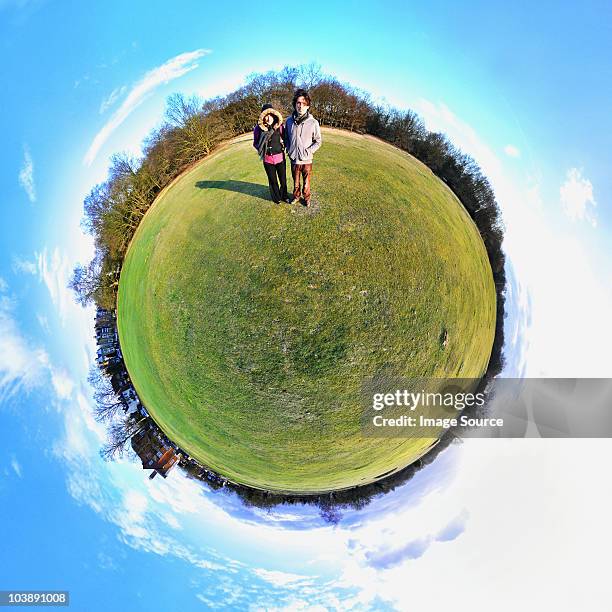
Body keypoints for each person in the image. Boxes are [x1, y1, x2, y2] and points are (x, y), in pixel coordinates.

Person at [284, 89, 322, 207]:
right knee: (296, 183)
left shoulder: (313, 122)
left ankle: (307, 198)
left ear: (308, 106)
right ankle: (296, 196)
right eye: (298, 103)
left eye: (303, 103)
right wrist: (289, 150)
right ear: (295, 104)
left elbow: (318, 141)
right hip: (294, 159)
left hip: (307, 160)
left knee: (306, 183)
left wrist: (308, 151)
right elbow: (286, 138)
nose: (300, 106)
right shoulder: (289, 121)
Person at [252, 103, 288, 204]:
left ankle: (284, 196)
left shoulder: (279, 126)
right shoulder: (258, 129)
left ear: (273, 115)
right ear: (263, 117)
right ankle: (276, 198)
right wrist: (262, 148)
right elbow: (255, 143)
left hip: (280, 158)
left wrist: (283, 146)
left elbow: (285, 138)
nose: (268, 118)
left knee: (283, 179)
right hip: (267, 160)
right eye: (266, 116)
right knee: (273, 181)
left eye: (270, 115)